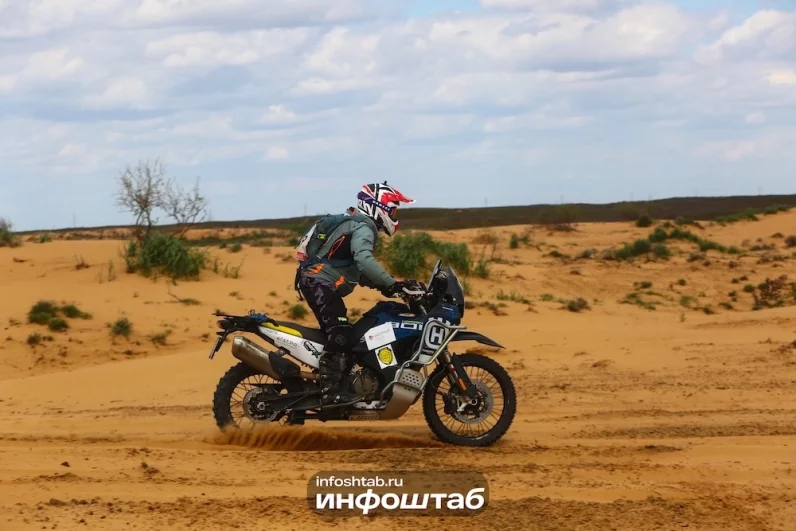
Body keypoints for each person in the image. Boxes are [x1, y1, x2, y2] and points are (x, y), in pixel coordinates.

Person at [295, 182, 415, 405]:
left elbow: (356, 271)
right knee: (341, 333)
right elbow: (364, 260)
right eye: (392, 210)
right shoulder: (363, 228)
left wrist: (389, 287)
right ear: (378, 207)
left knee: (342, 333)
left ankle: (340, 381)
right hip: (319, 282)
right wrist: (392, 284)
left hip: (319, 281)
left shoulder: (356, 224)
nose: (394, 216)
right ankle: (329, 392)